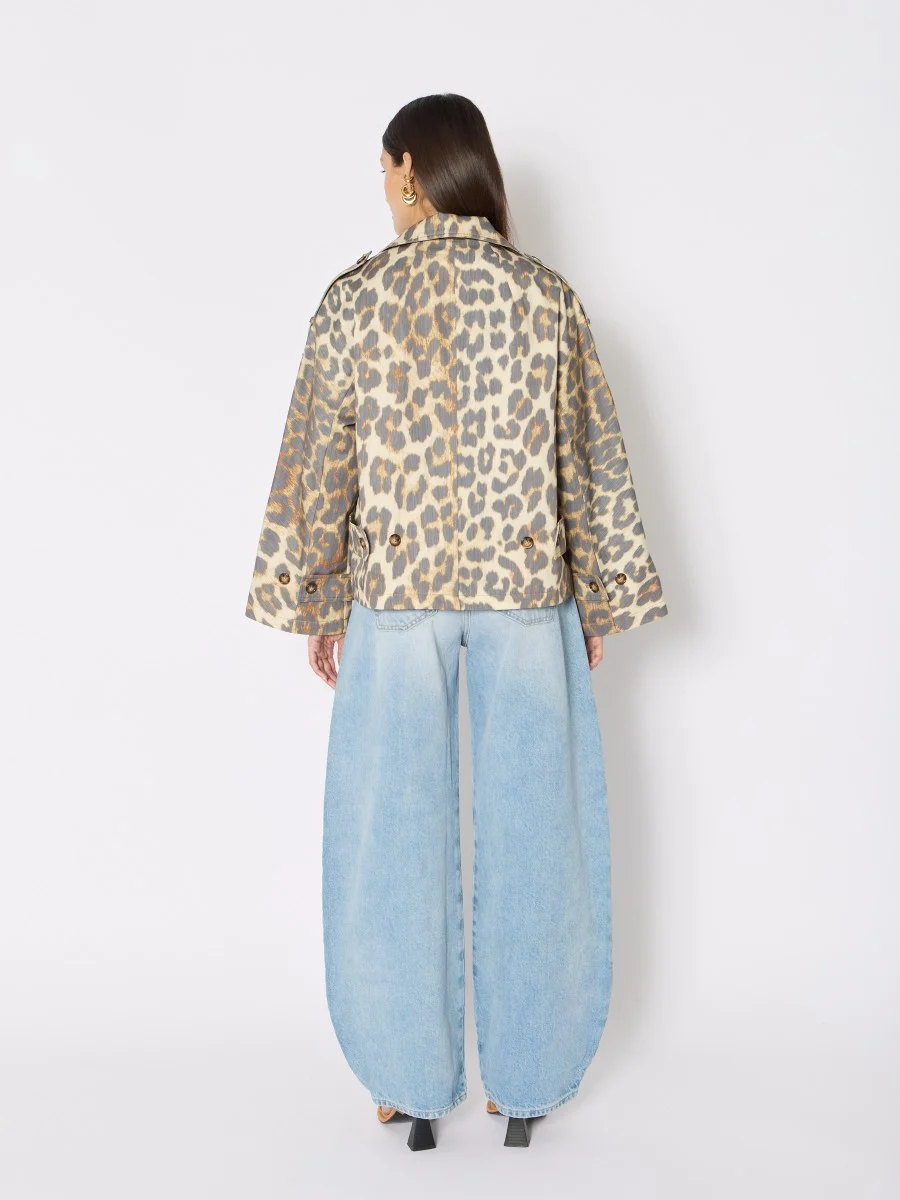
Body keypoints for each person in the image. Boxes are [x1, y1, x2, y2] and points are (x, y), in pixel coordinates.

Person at [244, 93, 668, 1151]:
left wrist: (316, 599)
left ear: (407, 170)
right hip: (525, 587)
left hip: (396, 591)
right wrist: (599, 594)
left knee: (389, 836)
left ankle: (403, 1078)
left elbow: (318, 459)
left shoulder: (357, 299)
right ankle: (528, 1079)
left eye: (384, 173)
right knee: (540, 830)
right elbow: (590, 456)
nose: (384, 192)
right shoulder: (546, 297)